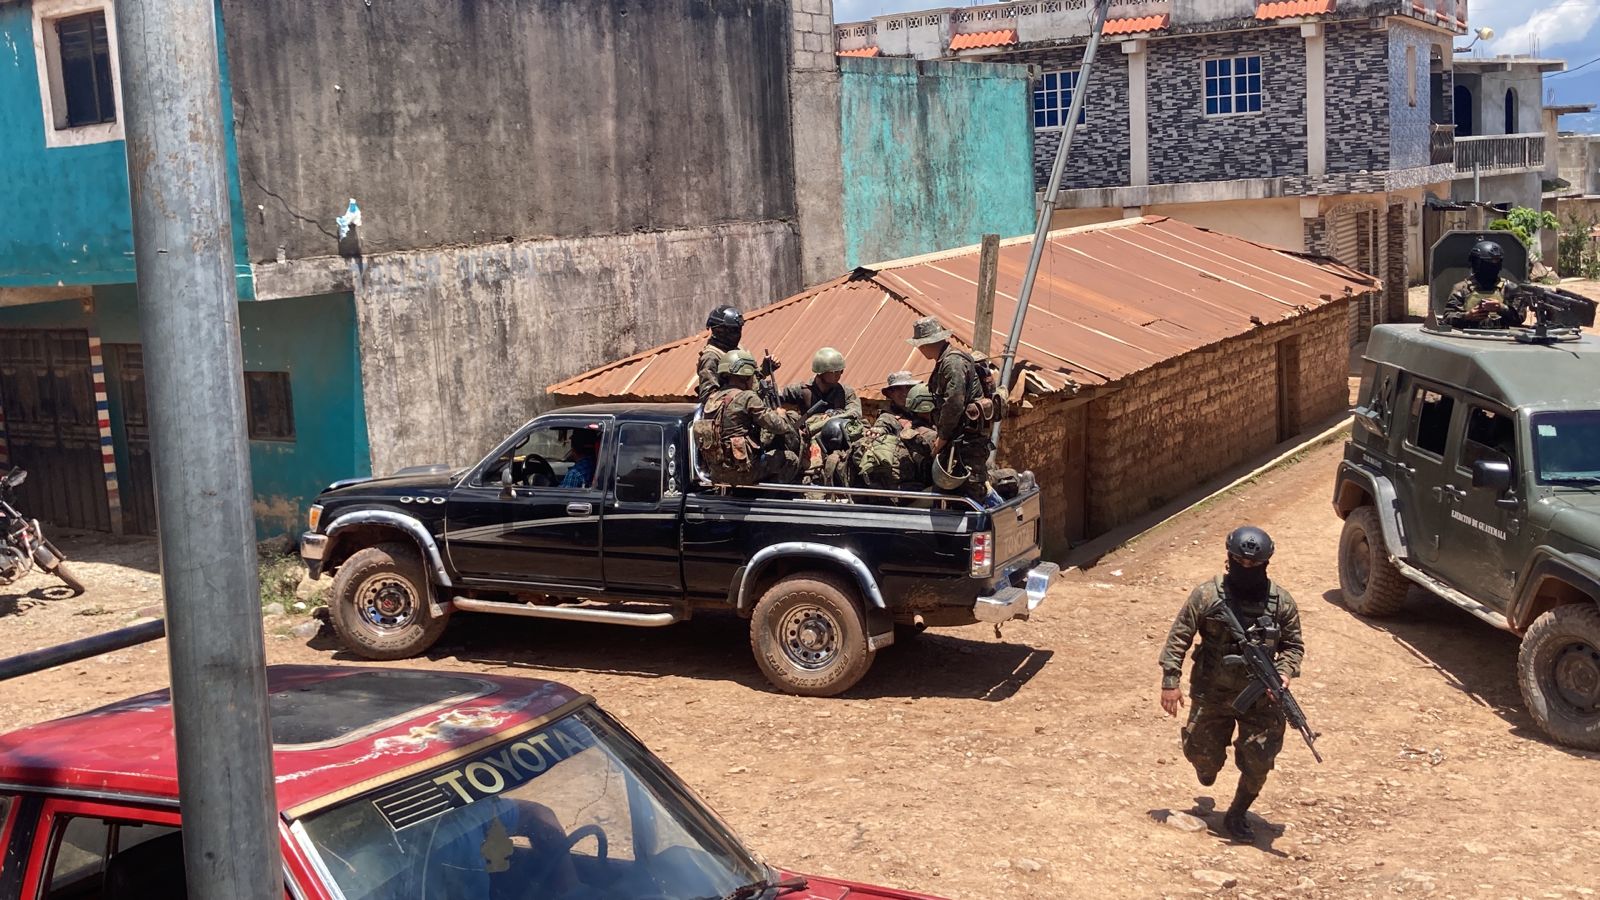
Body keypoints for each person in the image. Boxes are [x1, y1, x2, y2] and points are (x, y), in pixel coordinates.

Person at [1158, 526, 1305, 842]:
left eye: (1254, 564)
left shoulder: (1281, 603)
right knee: (1202, 755)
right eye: (1240, 561)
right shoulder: (1208, 596)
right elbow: (1179, 637)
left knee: (1260, 758)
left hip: (1262, 698)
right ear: (1229, 559)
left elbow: (1294, 646)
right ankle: (1206, 765)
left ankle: (1237, 813)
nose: (1246, 569)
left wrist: (1284, 672)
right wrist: (1171, 681)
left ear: (1266, 563)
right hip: (1213, 692)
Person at [906, 316, 1000, 501]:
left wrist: (942, 437)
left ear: (928, 343)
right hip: (960, 437)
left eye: (921, 344)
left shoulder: (952, 363)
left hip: (966, 438)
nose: (920, 349)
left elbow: (954, 403)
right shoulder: (945, 361)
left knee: (972, 488)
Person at [695, 349, 800, 486]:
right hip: (744, 472)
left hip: (716, 473)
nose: (754, 380)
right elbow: (779, 427)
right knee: (791, 459)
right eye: (753, 376)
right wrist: (781, 415)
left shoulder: (712, 399)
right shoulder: (748, 397)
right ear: (744, 377)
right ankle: (768, 499)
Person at [858, 383, 938, 492]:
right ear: (890, 393)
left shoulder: (931, 423)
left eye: (908, 388)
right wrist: (877, 431)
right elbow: (879, 430)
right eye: (898, 389)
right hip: (904, 483)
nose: (904, 392)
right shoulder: (888, 418)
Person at [1443, 240, 1526, 330]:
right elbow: (1447, 317)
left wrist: (1502, 308)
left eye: (1496, 264)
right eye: (1488, 264)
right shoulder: (1462, 289)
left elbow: (1519, 318)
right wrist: (1467, 316)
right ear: (1477, 264)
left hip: (1500, 338)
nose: (1493, 269)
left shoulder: (1509, 288)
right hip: (1469, 337)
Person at [780, 347, 862, 419]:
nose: (839, 374)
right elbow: (774, 397)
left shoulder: (846, 392)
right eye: (835, 371)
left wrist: (834, 414)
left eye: (841, 371)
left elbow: (855, 412)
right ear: (820, 372)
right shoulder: (801, 390)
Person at [697, 305, 745, 403]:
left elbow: (748, 381)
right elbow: (709, 397)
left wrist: (765, 369)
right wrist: (740, 398)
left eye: (738, 329)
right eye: (733, 330)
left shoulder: (737, 349)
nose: (737, 334)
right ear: (719, 331)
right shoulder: (711, 357)